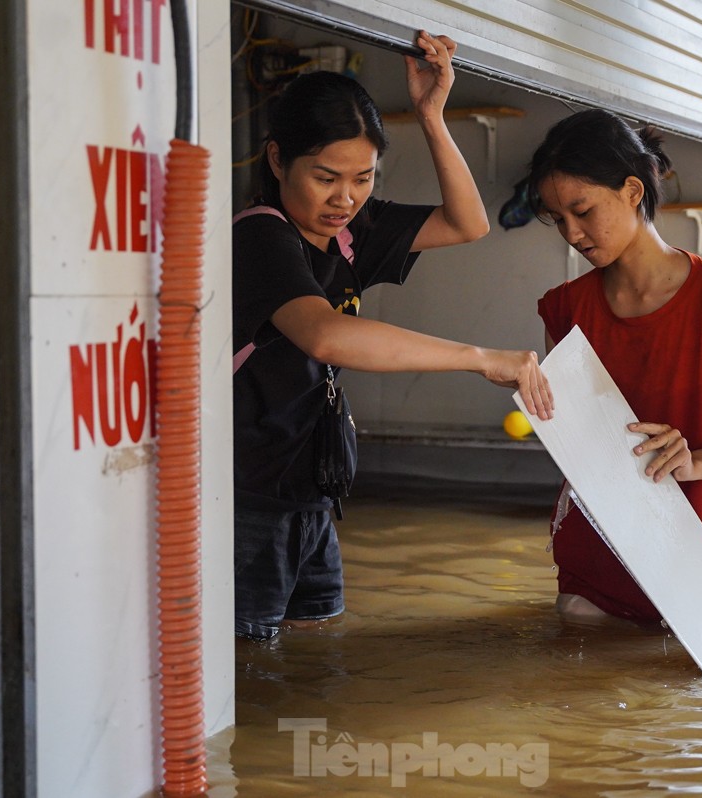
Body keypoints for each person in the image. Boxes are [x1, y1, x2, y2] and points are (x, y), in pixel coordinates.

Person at [232, 32, 554, 641]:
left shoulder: (356, 231)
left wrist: (431, 115)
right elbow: (327, 337)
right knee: (250, 671)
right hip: (246, 502)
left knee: (312, 662)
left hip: (312, 499)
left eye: (362, 178)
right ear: (277, 160)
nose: (345, 199)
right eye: (326, 177)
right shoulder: (259, 238)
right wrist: (478, 358)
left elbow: (468, 223)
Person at [524, 109, 702, 625]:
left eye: (583, 210)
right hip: (601, 565)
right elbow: (582, 443)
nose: (572, 233)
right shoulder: (564, 309)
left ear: (633, 190)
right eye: (558, 218)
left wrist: (693, 462)